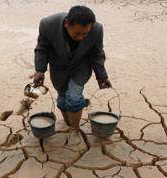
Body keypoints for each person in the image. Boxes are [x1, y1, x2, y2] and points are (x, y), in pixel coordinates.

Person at [29, 5, 112, 143]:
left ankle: (74, 129)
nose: (81, 37)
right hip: (58, 67)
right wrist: (40, 70)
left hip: (81, 67)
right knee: (62, 99)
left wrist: (102, 76)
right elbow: (42, 48)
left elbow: (97, 54)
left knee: (73, 97)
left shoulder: (97, 30)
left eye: (85, 34)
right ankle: (68, 122)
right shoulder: (48, 25)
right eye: (77, 33)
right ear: (67, 23)